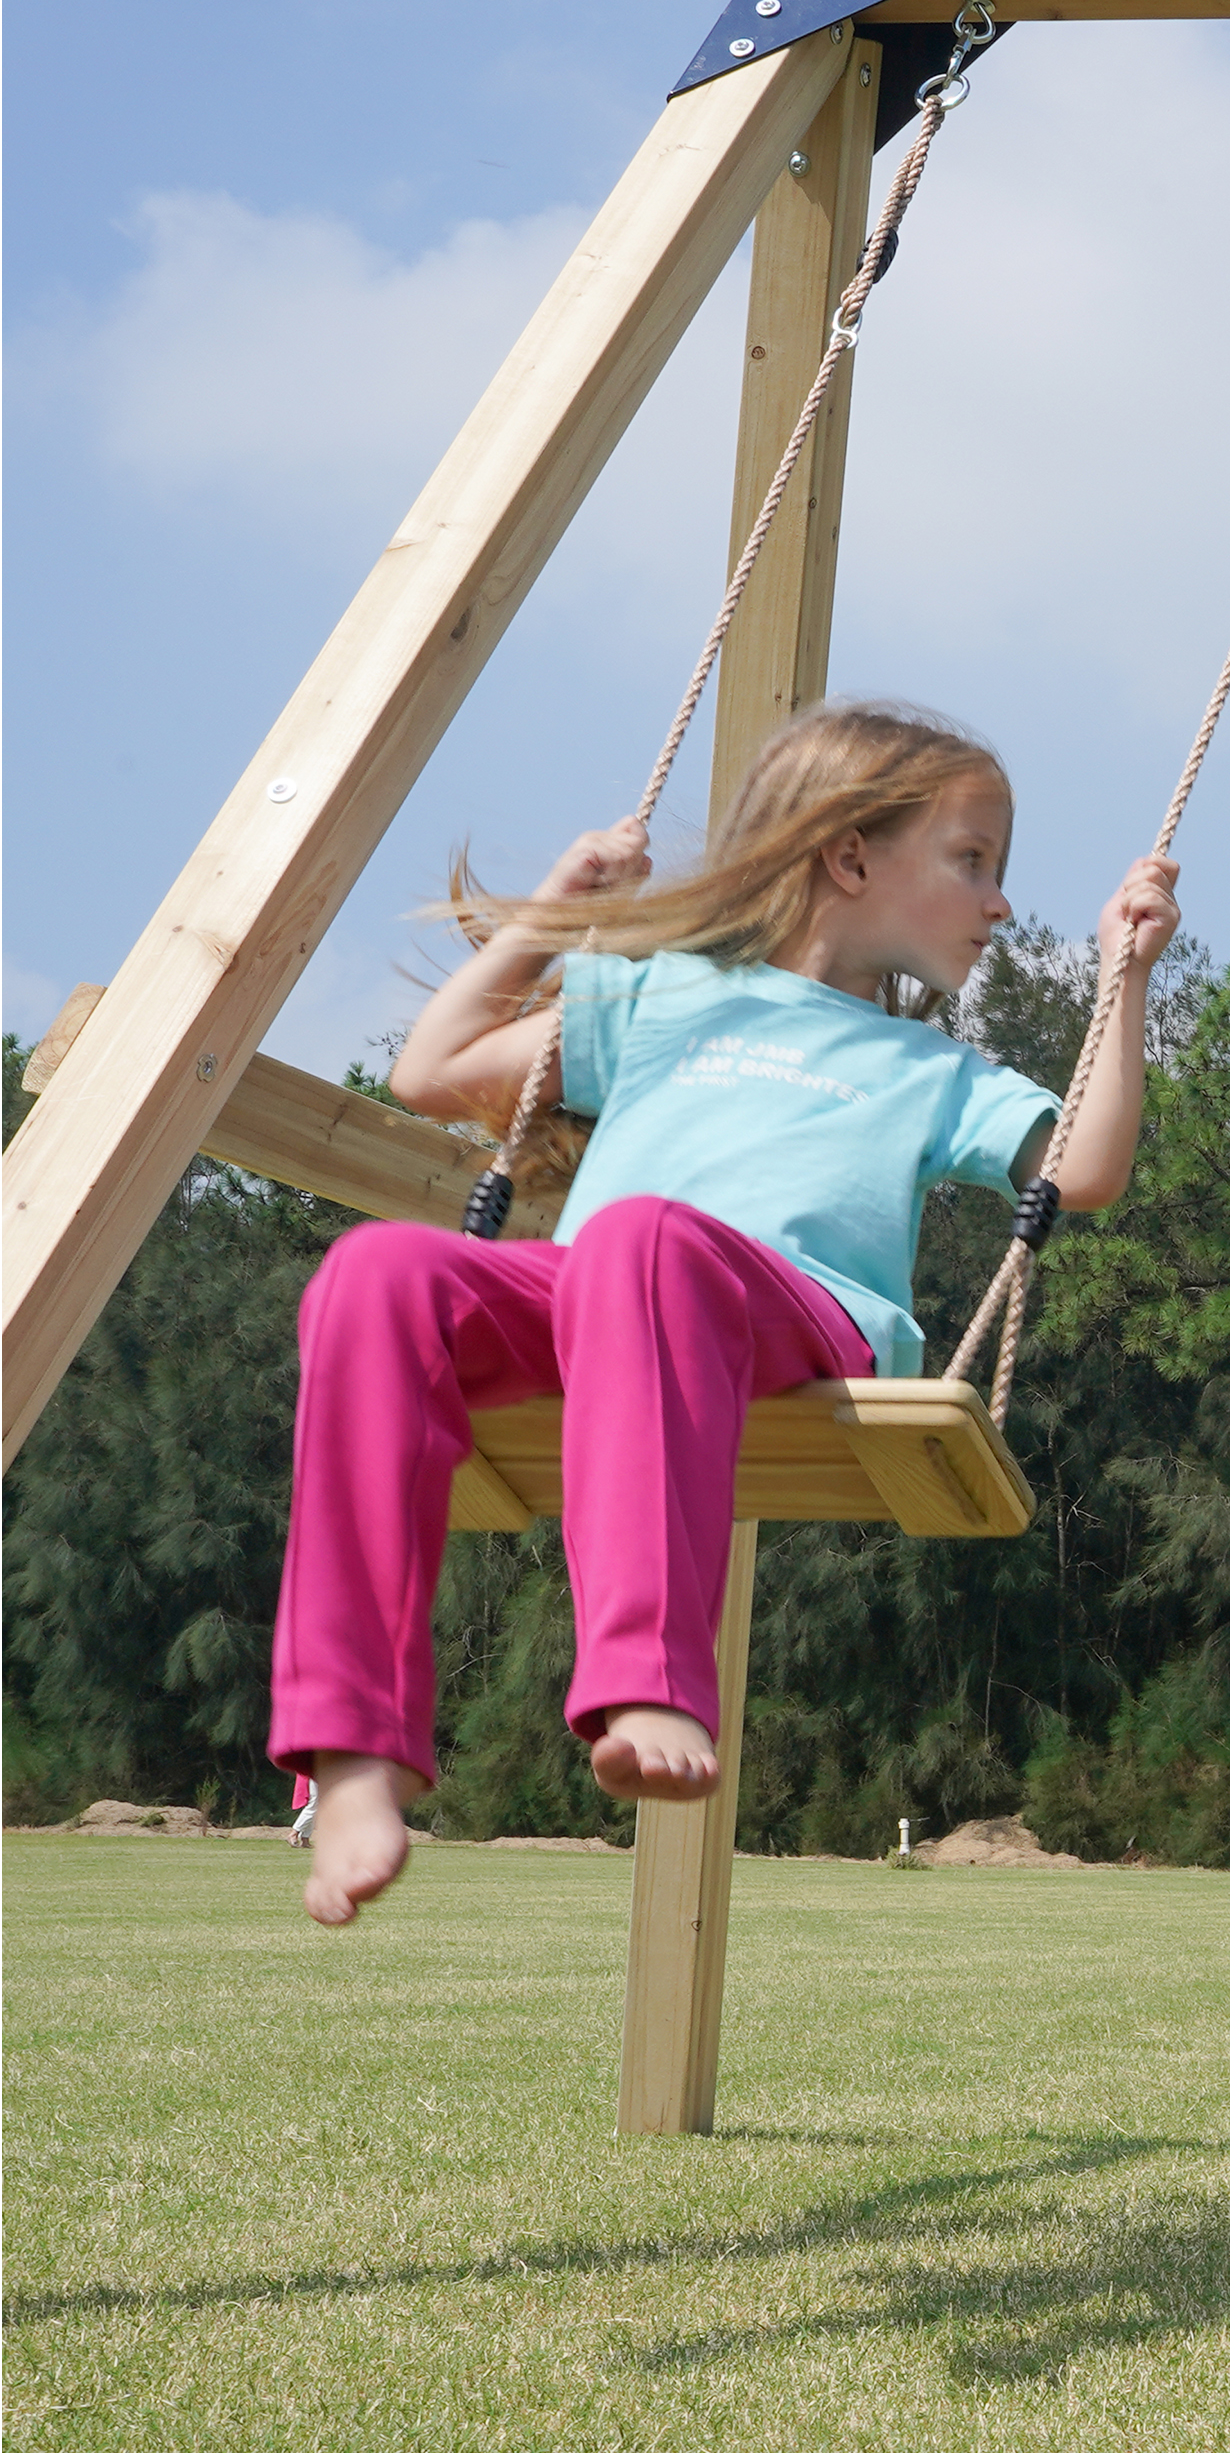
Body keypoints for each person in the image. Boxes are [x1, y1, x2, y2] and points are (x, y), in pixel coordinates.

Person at [281, 702, 1180, 1930]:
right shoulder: (659, 1000)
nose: (1000, 905)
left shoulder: (932, 1071)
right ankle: (352, 1751)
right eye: (973, 862)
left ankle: (646, 1674)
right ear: (849, 856)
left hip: (798, 1315)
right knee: (377, 1275)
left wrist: (1123, 979)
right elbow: (430, 1069)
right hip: (605, 1295)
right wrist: (552, 906)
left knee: (645, 1238)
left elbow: (1084, 1170)